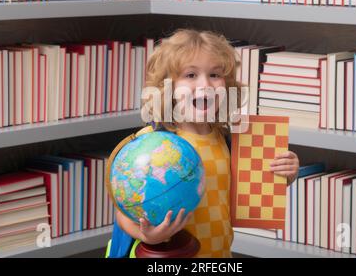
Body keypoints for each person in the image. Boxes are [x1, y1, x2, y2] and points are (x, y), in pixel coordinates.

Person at [113, 29, 299, 258]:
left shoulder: (229, 139)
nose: (205, 85)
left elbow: (250, 191)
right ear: (168, 87)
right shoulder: (152, 142)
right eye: (190, 75)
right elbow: (124, 207)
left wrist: (284, 175)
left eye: (215, 74)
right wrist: (147, 236)